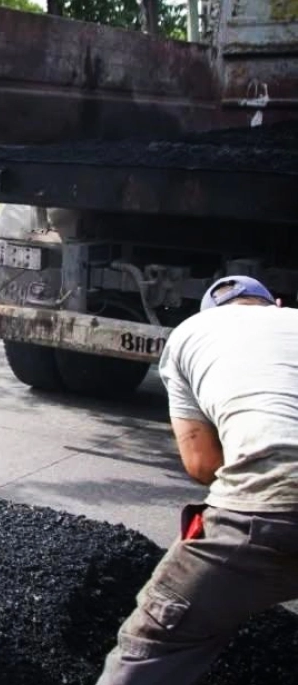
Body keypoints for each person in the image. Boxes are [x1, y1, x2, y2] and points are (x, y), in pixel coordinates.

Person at [95, 275, 298, 685]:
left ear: (207, 314)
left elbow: (202, 464)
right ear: (273, 303)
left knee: (151, 646)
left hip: (266, 509)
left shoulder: (190, 335)